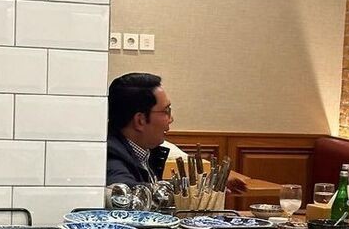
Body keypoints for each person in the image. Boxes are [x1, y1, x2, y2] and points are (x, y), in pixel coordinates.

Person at [106, 72, 248, 189]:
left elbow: (152, 188)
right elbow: (129, 194)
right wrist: (201, 188)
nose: (171, 119)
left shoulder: (147, 151)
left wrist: (206, 184)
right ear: (140, 120)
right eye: (166, 111)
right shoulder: (111, 155)